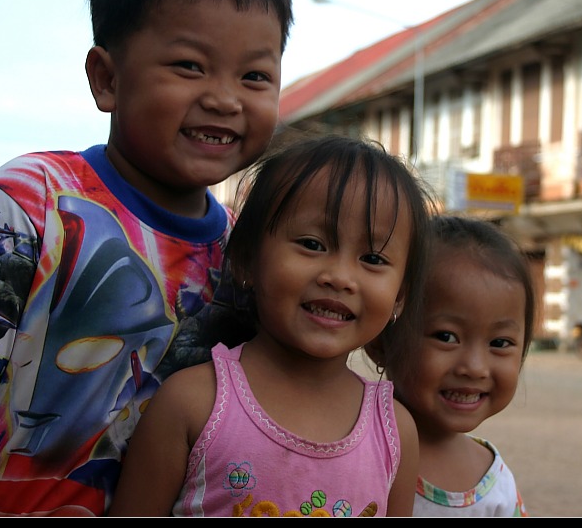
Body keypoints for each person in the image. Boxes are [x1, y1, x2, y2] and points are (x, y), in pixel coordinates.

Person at [0, 0, 293, 517]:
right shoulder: (29, 201)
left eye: (255, 75)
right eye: (189, 66)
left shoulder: (245, 258)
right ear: (107, 80)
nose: (224, 98)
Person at [108, 134, 433, 517]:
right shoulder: (194, 404)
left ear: (400, 296)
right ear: (247, 259)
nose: (341, 276)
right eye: (312, 244)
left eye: (373, 258)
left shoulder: (395, 432)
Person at [366, 214, 535, 517]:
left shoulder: (498, 486)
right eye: (446, 337)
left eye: (499, 343)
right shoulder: (351, 449)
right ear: (379, 342)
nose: (475, 367)